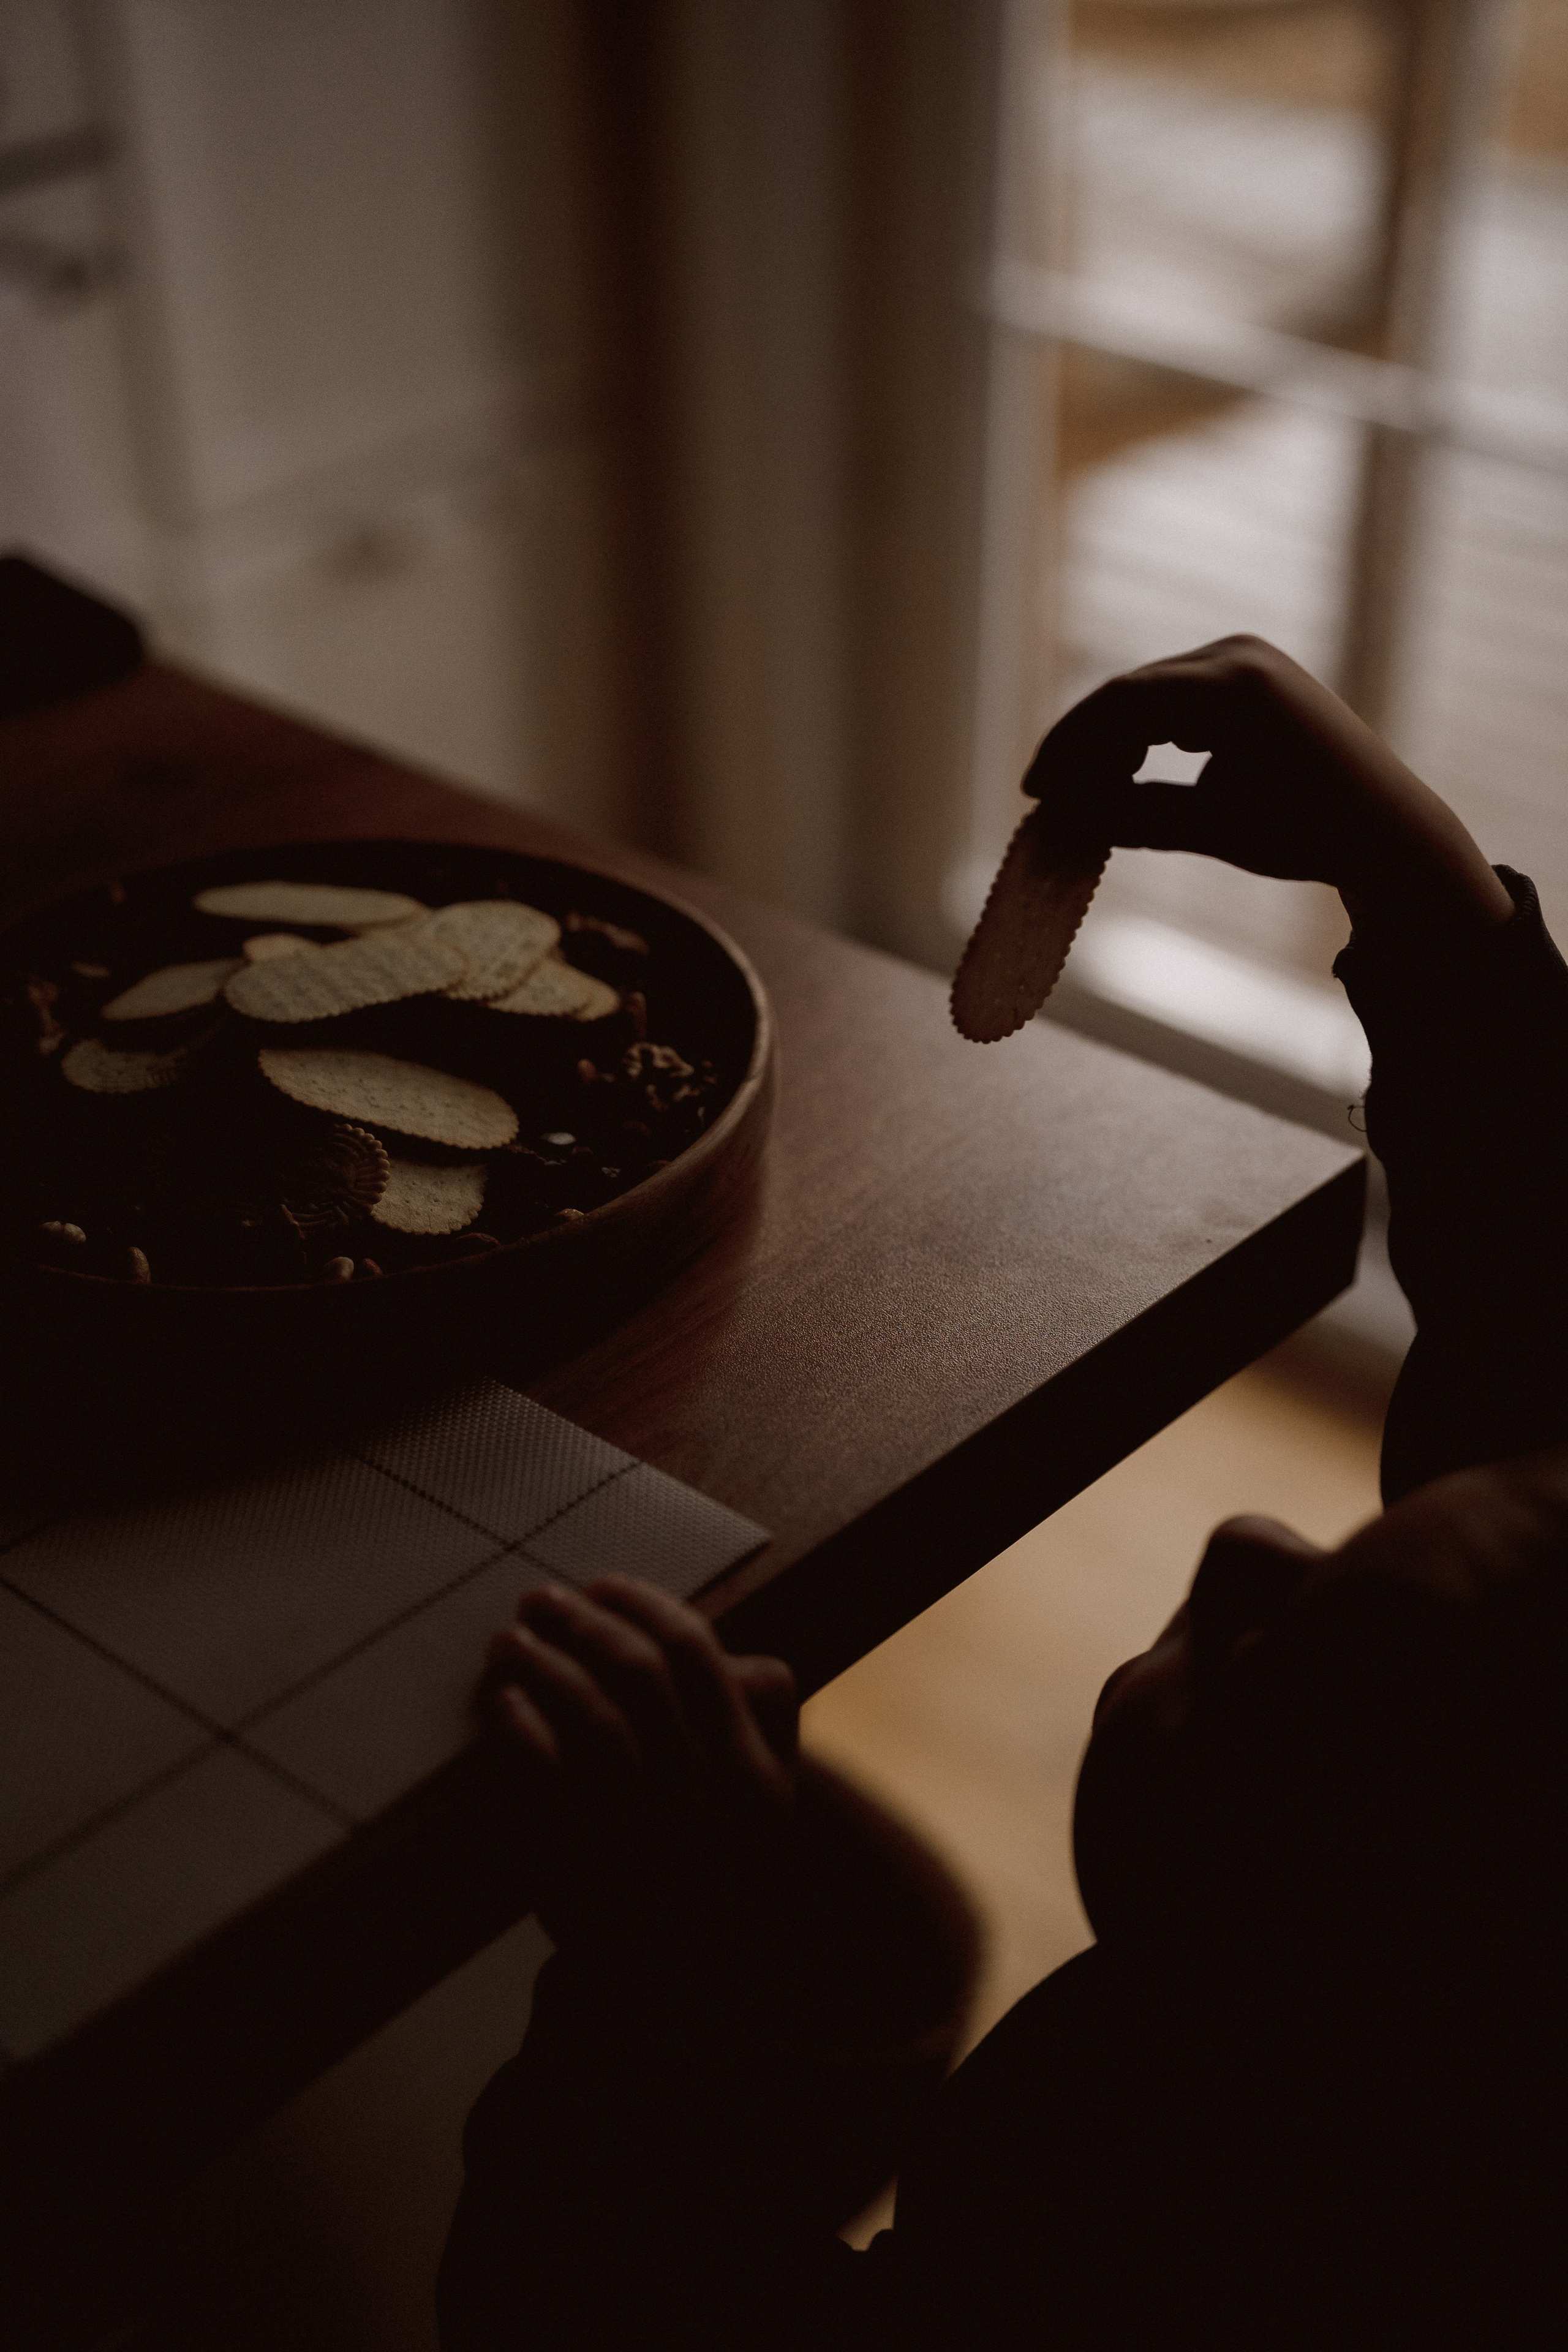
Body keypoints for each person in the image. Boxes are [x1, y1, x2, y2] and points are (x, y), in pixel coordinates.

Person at [438, 638, 1568, 2350]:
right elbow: (1544, 1339)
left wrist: (666, 1987)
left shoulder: (1155, 2249)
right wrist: (1424, 904)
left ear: (1277, 1983)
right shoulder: (1423, 2031)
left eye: (1283, 1667)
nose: (1255, 1533)